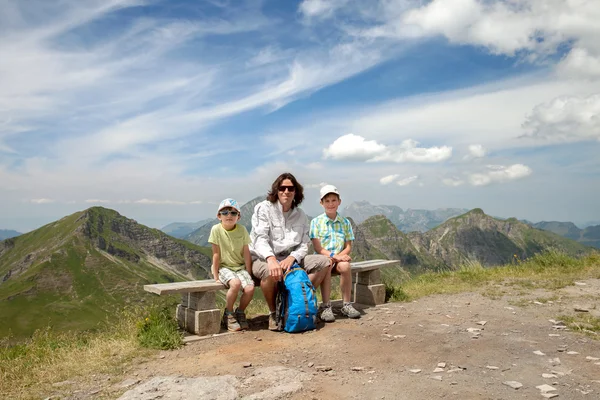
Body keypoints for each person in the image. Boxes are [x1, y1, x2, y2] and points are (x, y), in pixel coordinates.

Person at [249, 172, 330, 331]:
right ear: (276, 190)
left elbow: (305, 243)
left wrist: (292, 257)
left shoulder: (300, 215)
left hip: (289, 258)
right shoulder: (263, 208)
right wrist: (271, 259)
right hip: (262, 258)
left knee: (324, 262)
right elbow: (260, 238)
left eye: (290, 188)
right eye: (282, 188)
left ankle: (293, 301)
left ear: (296, 192)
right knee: (269, 272)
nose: (286, 191)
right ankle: (274, 312)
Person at [309, 185, 361, 321]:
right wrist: (333, 257)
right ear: (322, 203)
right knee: (326, 264)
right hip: (323, 260)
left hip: (338, 259)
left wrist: (340, 257)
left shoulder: (345, 223)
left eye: (333, 200)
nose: (330, 204)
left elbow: (348, 246)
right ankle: (326, 306)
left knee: (345, 266)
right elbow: (318, 248)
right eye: (327, 201)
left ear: (339, 201)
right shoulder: (316, 222)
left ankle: (346, 304)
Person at [208, 198, 255, 332]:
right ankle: (228, 314)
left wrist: (249, 271)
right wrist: (216, 276)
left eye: (233, 213)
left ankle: (240, 312)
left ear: (238, 217)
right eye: (225, 212)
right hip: (224, 267)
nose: (229, 215)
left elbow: (246, 252)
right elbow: (216, 254)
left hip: (239, 267)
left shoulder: (242, 230)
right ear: (219, 216)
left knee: (250, 288)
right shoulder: (215, 230)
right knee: (235, 283)